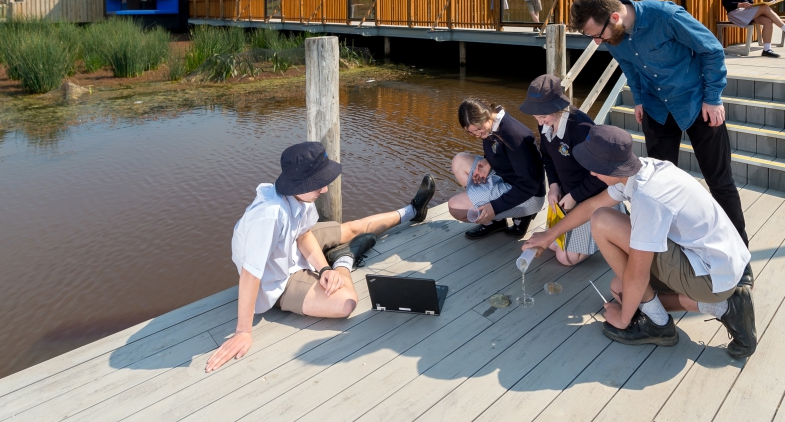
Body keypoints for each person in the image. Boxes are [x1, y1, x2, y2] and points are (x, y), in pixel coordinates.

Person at [524, 125, 756, 358]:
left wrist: (623, 319)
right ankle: (726, 307)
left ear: (612, 168)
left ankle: (658, 326)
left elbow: (638, 273)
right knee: (620, 290)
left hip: (710, 277)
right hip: (720, 264)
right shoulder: (641, 169)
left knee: (603, 222)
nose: (592, 174)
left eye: (594, 168)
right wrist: (549, 235)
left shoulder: (647, 197)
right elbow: (592, 205)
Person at [204, 142, 436, 372]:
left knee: (353, 228)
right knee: (346, 303)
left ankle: (413, 211)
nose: (324, 189)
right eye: (318, 183)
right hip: (277, 280)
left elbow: (304, 235)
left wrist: (324, 269)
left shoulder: (301, 197)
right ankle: (345, 258)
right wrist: (243, 331)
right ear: (299, 183)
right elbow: (250, 274)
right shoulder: (269, 216)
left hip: (293, 246)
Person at [569, 0, 751, 256]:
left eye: (598, 35)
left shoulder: (666, 15)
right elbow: (630, 67)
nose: (597, 42)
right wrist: (639, 99)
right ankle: (673, 251)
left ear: (615, 17)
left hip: (697, 103)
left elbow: (711, 50)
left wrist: (713, 98)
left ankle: (739, 253)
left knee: (720, 182)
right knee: (659, 186)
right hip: (656, 109)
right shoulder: (613, 35)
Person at [519, 74, 609, 265]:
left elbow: (600, 175)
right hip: (569, 195)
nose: (540, 122)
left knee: (566, 258)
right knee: (552, 245)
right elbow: (548, 157)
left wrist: (575, 195)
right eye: (536, 117)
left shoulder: (581, 128)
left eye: (543, 116)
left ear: (558, 108)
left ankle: (608, 233)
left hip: (595, 197)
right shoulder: (546, 123)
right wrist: (554, 185)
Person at [448, 99, 546, 239]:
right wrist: (488, 160)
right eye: (471, 132)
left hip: (529, 195)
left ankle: (514, 215)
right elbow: (501, 149)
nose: (477, 134)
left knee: (455, 207)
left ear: (486, 116)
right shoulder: (491, 124)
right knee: (459, 161)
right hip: (507, 177)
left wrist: (495, 207)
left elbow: (530, 184)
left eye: (478, 129)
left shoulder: (513, 134)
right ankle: (496, 223)